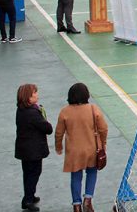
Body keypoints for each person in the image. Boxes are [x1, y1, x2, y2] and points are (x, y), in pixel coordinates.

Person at [54, 83, 107, 212]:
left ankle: (76, 204)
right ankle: (88, 200)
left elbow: (59, 132)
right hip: (92, 149)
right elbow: (103, 128)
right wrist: (103, 143)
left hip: (74, 151)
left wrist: (58, 146)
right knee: (92, 172)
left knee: (76, 176)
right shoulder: (93, 109)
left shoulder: (65, 111)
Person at [15, 84, 53, 212]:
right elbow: (47, 129)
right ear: (28, 97)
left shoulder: (20, 110)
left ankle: (29, 196)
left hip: (24, 149)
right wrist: (44, 118)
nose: (37, 94)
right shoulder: (33, 113)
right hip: (33, 150)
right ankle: (28, 200)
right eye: (34, 93)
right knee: (34, 173)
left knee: (27, 173)